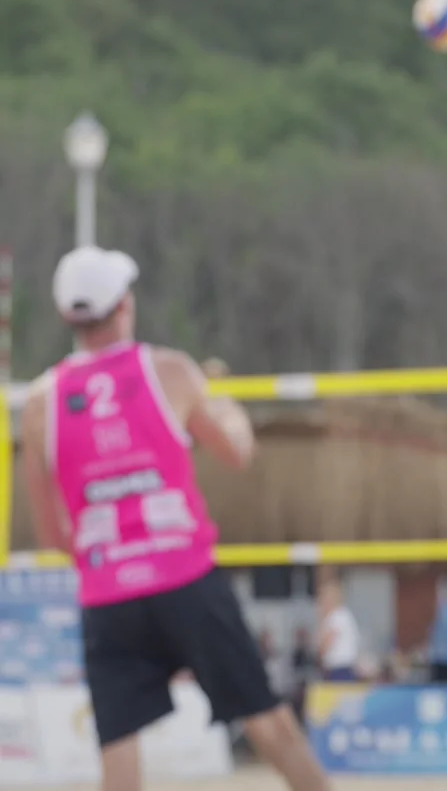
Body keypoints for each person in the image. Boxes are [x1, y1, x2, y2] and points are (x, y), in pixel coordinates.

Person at [21, 245, 330, 791]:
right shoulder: (169, 371)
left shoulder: (42, 402)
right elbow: (236, 453)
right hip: (184, 580)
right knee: (268, 722)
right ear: (124, 306)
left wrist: (113, 558)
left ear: (68, 317)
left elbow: (52, 534)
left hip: (108, 594)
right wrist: (228, 409)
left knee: (118, 753)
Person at [317, 579, 360, 682]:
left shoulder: (336, 616)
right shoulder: (344, 614)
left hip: (339, 669)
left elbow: (326, 644)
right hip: (346, 668)